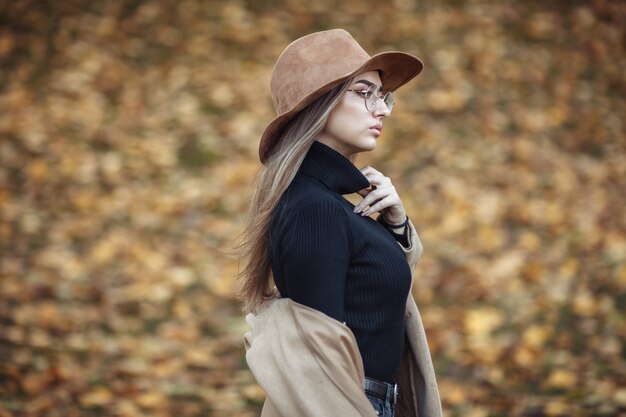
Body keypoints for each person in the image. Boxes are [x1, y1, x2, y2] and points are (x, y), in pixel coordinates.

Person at [237, 29, 442, 417]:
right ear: (318, 104)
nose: (380, 109)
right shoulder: (315, 209)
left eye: (383, 96)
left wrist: (397, 227)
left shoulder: (334, 204)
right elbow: (317, 366)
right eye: (364, 92)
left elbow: (374, 298)